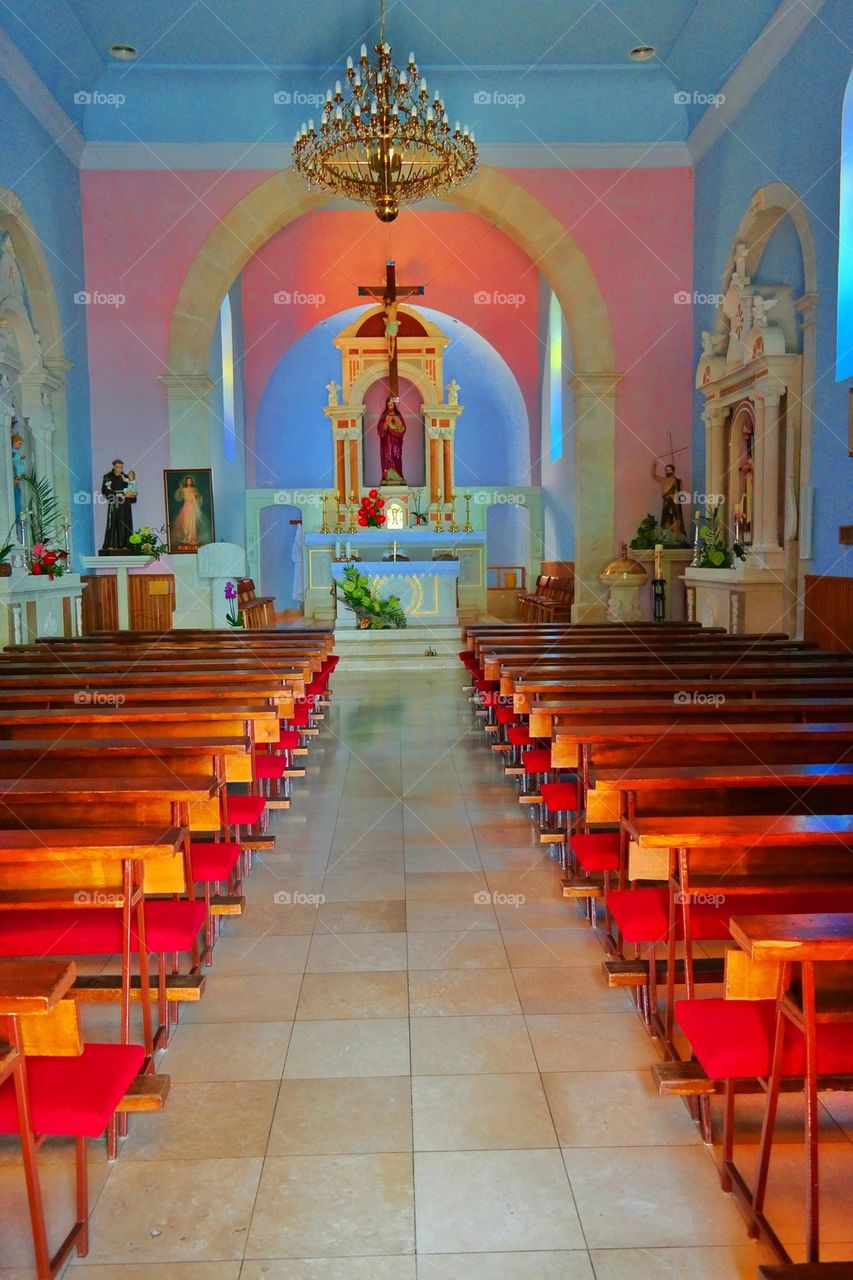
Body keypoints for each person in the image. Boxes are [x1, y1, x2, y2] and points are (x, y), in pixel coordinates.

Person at [101, 458, 135, 552]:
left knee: (125, 523)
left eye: (121, 467)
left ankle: (125, 545)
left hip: (125, 504)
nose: (120, 469)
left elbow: (132, 489)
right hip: (114, 503)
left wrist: (130, 494)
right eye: (118, 467)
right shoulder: (107, 477)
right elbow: (104, 490)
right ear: (114, 467)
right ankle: (112, 544)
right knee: (113, 523)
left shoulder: (126, 477)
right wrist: (116, 495)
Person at [650, 459, 688, 542]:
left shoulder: (677, 481)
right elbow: (653, 476)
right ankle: (667, 537)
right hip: (666, 502)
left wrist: (675, 493)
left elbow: (682, 494)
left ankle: (676, 537)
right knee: (666, 519)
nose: (667, 471)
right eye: (666, 470)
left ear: (673, 471)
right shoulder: (663, 480)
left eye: (669, 470)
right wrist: (654, 465)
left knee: (675, 519)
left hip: (674, 502)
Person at [171, 474, 210, 547]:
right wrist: (180, 489)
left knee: (192, 523)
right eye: (188, 481)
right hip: (186, 507)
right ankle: (186, 537)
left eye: (190, 481)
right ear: (186, 482)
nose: (189, 482)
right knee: (186, 523)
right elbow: (180, 498)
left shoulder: (194, 489)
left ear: (192, 482)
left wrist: (195, 496)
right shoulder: (184, 489)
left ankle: (192, 538)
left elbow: (199, 498)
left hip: (193, 508)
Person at [377, 397, 407, 485]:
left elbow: (403, 428)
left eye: (391, 404)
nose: (390, 406)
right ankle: (387, 476)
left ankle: (398, 475)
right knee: (388, 457)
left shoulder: (398, 416)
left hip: (396, 442)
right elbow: (380, 428)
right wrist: (385, 424)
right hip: (387, 441)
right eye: (388, 405)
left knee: (397, 456)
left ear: (394, 405)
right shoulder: (384, 416)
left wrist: (398, 427)